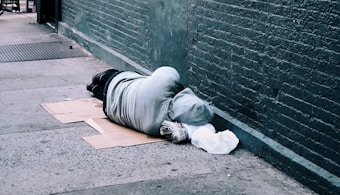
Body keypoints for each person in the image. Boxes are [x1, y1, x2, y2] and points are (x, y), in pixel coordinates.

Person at [86, 66, 239, 153]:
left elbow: (167, 70)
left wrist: (179, 89)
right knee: (101, 91)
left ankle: (95, 81)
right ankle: (92, 87)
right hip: (110, 109)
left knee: (106, 77)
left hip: (119, 81)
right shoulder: (157, 126)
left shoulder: (164, 83)